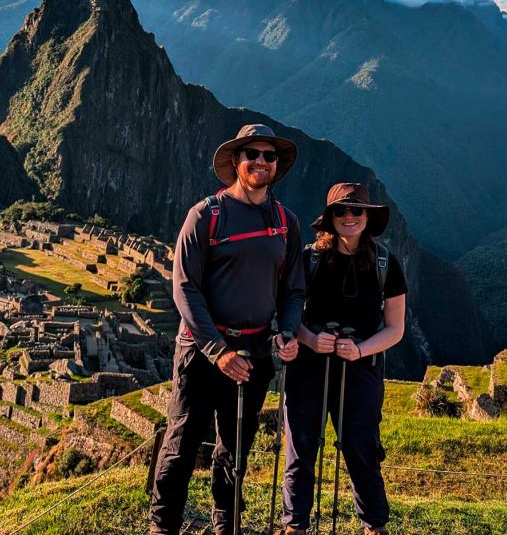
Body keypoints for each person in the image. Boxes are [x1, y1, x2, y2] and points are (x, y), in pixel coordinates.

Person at [149, 124, 307, 535]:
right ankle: (162, 525)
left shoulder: (286, 223)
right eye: (251, 154)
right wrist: (218, 350)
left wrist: (287, 333)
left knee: (235, 450)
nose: (260, 161)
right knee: (182, 444)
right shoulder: (206, 216)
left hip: (254, 353)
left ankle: (226, 524)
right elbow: (185, 288)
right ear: (236, 162)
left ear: (276, 166)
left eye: (269, 155)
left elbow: (293, 290)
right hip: (204, 354)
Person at [279, 183, 407, 535]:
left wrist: (361, 349)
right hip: (309, 365)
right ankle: (295, 525)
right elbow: (288, 310)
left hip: (361, 366)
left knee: (361, 446)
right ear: (330, 217)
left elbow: (395, 328)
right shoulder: (309, 260)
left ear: (368, 217)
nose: (349, 217)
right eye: (341, 211)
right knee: (301, 445)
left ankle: (373, 525)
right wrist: (309, 338)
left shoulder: (386, 265)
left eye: (356, 211)